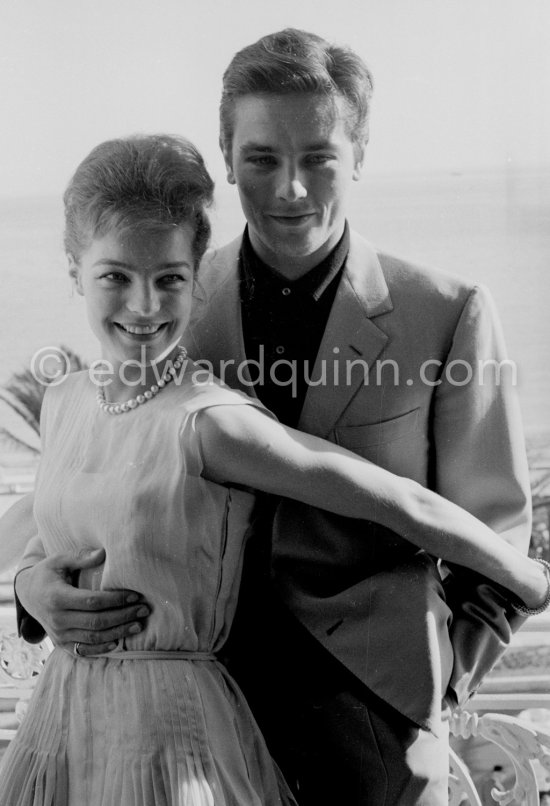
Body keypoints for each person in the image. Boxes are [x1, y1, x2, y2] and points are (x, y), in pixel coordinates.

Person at [4, 29, 543, 806]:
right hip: (193, 713)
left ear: (359, 154)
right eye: (261, 158)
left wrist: (442, 682)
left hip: (372, 722)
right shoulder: (169, 298)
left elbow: (497, 525)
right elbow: (98, 470)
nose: (291, 188)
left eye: (318, 157)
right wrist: (28, 588)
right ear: (227, 158)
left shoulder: (447, 312)